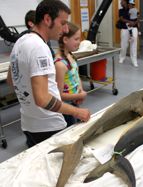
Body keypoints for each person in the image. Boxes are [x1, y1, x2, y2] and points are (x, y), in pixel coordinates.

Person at [7, 0, 91, 148]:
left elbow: (11, 81)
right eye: (63, 23)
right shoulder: (39, 47)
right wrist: (77, 112)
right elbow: (43, 99)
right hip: (49, 126)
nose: (65, 29)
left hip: (29, 123)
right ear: (47, 19)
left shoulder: (20, 41)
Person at [54, 22, 87, 126]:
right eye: (76, 39)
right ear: (65, 40)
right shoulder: (60, 64)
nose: (79, 42)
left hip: (74, 102)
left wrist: (80, 90)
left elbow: (76, 76)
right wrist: (79, 95)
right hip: (66, 108)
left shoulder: (70, 55)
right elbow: (59, 95)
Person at [118, 0, 139, 67]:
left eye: (122, 1)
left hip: (134, 28)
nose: (121, 2)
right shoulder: (121, 10)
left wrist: (134, 23)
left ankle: (134, 61)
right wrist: (130, 22)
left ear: (126, 2)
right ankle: (122, 57)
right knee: (124, 44)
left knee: (134, 44)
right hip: (124, 29)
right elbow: (121, 19)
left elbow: (138, 18)